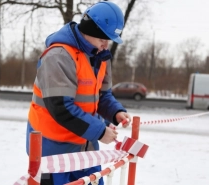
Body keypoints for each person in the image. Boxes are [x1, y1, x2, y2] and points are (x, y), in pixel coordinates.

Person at [25, 1, 131, 185]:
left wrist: (115, 112)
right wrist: (99, 132)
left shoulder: (101, 57)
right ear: (89, 31)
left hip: (86, 148)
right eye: (102, 39)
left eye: (108, 41)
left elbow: (103, 96)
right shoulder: (58, 56)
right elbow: (61, 108)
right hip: (54, 153)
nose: (106, 45)